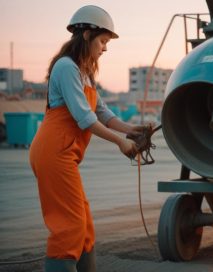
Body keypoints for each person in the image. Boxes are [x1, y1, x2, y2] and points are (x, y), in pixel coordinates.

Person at [29, 5, 142, 272]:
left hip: (65, 154)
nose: (105, 48)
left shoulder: (84, 74)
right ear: (88, 35)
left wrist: (133, 130)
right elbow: (85, 118)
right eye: (103, 41)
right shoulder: (66, 68)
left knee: (85, 226)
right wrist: (120, 142)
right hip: (53, 153)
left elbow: (102, 113)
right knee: (69, 226)